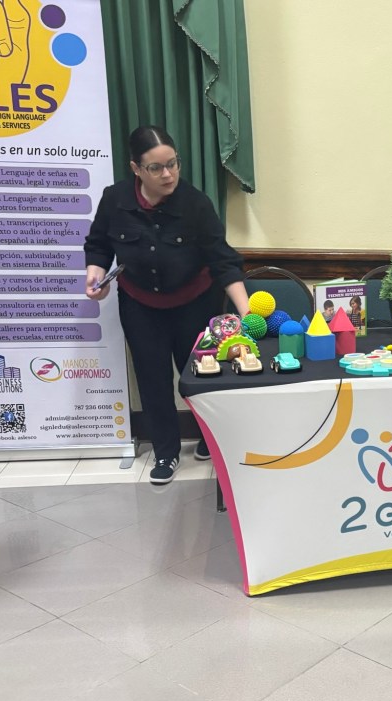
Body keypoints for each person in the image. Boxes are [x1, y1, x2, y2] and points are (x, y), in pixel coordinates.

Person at [85, 125, 249, 485]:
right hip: (140, 306)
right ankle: (165, 452)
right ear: (136, 169)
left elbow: (223, 261)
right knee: (152, 378)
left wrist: (246, 311)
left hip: (195, 303)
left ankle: (209, 439)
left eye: (173, 164)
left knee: (203, 375)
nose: (168, 174)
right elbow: (98, 246)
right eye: (156, 168)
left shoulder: (195, 203)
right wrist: (95, 277)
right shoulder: (115, 200)